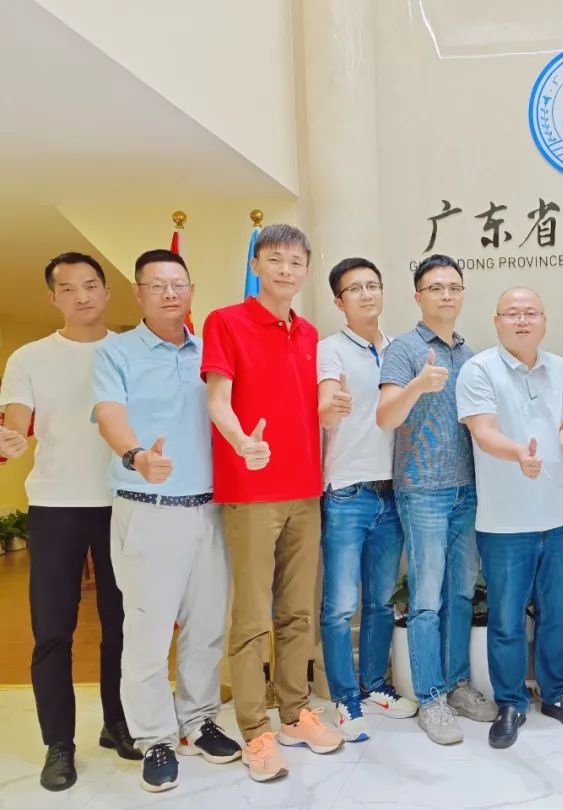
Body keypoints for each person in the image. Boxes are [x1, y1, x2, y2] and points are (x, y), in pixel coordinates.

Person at [91, 249, 239, 792]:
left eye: (178, 284)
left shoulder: (210, 351)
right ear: (138, 293)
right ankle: (154, 736)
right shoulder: (116, 351)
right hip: (147, 508)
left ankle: (198, 721)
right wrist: (136, 456)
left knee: (207, 626)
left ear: (192, 290)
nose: (169, 293)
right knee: (148, 632)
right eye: (156, 285)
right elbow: (110, 414)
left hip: (211, 509)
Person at [202, 224, 342, 783]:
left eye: (296, 261)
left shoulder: (309, 333)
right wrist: (243, 443)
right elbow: (217, 399)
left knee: (298, 612)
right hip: (251, 492)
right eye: (275, 259)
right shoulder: (225, 321)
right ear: (256, 265)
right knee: (252, 617)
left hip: (305, 490)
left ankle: (294, 712)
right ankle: (254, 729)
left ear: (306, 269)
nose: (286, 269)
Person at [0, 252, 138, 792]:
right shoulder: (30, 357)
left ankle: (117, 722)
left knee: (120, 623)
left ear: (107, 292)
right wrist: (11, 436)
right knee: (53, 630)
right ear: (53, 298)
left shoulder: (131, 350)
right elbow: (17, 418)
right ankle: (58, 743)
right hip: (55, 505)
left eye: (90, 285)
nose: (81, 296)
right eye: (68, 288)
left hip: (122, 501)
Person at [457, 287, 563, 749]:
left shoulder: (560, 368)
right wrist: (518, 452)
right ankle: (511, 702)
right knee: (507, 621)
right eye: (512, 313)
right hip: (504, 522)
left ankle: (557, 694)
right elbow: (483, 431)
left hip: (559, 516)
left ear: (544, 320)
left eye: (530, 312)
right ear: (497, 321)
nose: (521, 320)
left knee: (559, 615)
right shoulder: (479, 369)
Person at [376, 254, 495, 745]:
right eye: (436, 288)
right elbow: (385, 416)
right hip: (422, 489)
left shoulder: (471, 356)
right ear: (418, 296)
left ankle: (457, 684)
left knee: (462, 592)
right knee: (426, 600)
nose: (446, 295)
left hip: (468, 489)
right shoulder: (404, 350)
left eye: (454, 287)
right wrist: (418, 385)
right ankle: (430, 699)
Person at [317, 258, 418, 744]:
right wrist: (330, 407)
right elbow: (325, 403)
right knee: (340, 606)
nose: (366, 294)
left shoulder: (400, 349)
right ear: (339, 302)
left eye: (372, 285)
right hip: (347, 492)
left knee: (380, 601)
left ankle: (375, 684)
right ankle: (344, 697)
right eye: (354, 289)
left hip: (392, 492)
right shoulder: (330, 349)